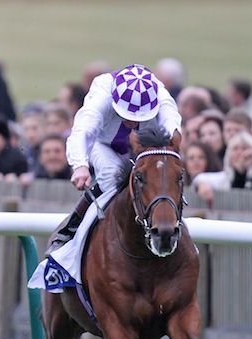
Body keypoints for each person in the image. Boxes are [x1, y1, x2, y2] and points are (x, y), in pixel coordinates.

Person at [52, 64, 181, 249]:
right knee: (110, 175)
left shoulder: (162, 97)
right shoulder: (102, 94)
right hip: (102, 143)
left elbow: (172, 131)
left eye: (139, 117)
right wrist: (80, 165)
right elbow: (82, 131)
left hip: (143, 147)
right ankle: (71, 228)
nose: (132, 122)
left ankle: (169, 226)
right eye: (127, 115)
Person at [193, 131, 252, 203]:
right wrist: (202, 184)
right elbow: (200, 178)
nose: (239, 153)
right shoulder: (223, 178)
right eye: (235, 148)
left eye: (244, 148)